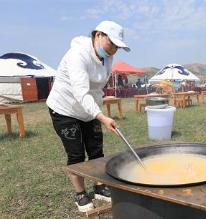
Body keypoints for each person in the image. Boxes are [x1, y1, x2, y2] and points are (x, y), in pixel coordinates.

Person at [46, 20, 130, 212]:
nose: (114, 50)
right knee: (76, 153)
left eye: (118, 46)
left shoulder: (107, 56)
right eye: (112, 44)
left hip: (90, 110)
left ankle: (100, 186)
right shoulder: (78, 55)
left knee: (96, 150)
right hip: (65, 109)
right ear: (98, 35)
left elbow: (96, 88)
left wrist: (97, 112)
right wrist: (102, 117)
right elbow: (81, 92)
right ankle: (80, 194)